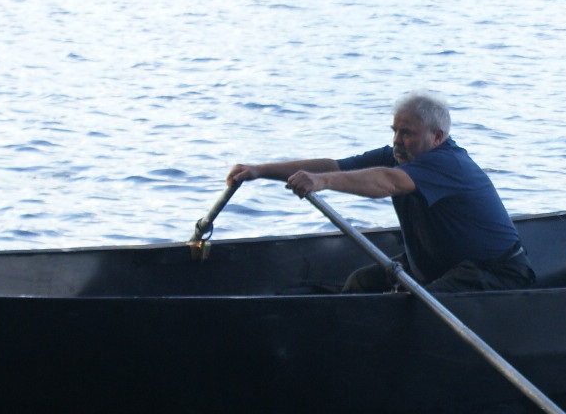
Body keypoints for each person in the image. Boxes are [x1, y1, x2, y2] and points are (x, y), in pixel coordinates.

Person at [227, 92, 536, 293]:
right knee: (361, 283)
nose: (398, 141)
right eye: (395, 131)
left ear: (437, 136)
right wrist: (259, 170)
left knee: (412, 302)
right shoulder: (400, 154)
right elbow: (335, 166)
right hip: (439, 264)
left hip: (495, 274)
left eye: (407, 133)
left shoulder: (448, 164)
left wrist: (322, 183)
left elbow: (387, 182)